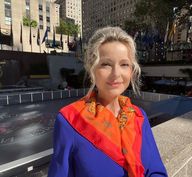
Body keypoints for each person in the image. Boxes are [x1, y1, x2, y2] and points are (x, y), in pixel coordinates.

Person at [48, 26, 168, 177]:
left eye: (124, 64)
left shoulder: (139, 116)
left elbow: (156, 171)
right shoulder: (69, 120)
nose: (116, 74)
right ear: (92, 69)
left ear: (131, 70)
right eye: (106, 64)